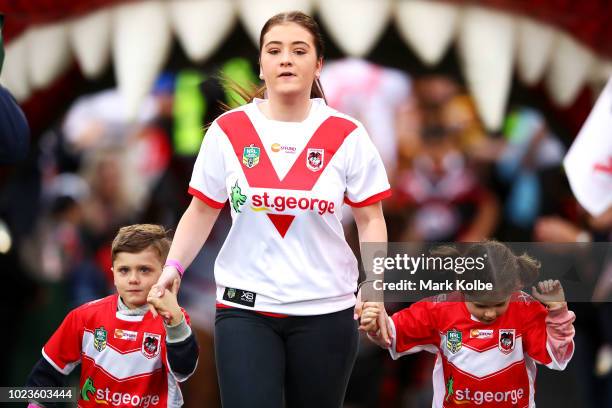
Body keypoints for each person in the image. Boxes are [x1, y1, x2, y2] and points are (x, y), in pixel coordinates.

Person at [149, 11, 391, 408]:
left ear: (318, 65)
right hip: (245, 307)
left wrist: (376, 290)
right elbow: (201, 210)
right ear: (260, 65)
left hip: (326, 308)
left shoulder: (347, 134)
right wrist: (173, 269)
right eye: (274, 50)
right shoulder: (228, 131)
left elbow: (371, 218)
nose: (286, 59)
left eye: (299, 50)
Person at [361, 241, 576, 407]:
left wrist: (557, 312)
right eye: (481, 306)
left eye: (499, 304)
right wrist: (375, 325)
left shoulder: (525, 309)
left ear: (514, 288)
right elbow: (391, 334)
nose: (490, 313)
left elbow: (558, 357)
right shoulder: (439, 310)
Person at [25, 224, 198, 407]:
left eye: (144, 270)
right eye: (124, 270)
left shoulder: (174, 320)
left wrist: (174, 320)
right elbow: (45, 375)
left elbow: (183, 370)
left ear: (164, 273)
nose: (133, 279)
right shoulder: (84, 317)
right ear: (113, 274)